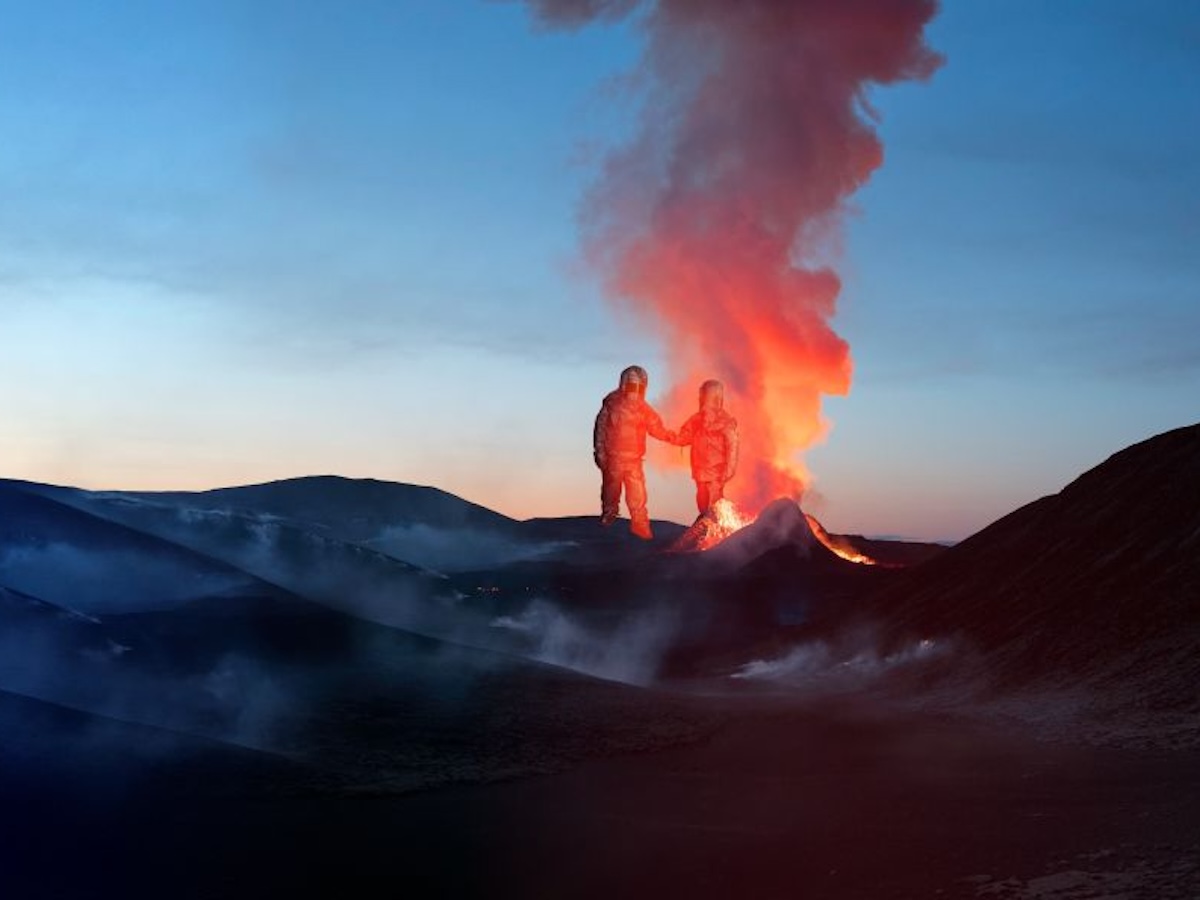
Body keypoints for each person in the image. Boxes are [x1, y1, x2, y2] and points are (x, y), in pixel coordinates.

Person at [593, 365, 675, 540]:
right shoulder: (612, 404)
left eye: (637, 387)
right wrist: (600, 452)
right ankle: (609, 514)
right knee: (611, 489)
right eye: (631, 386)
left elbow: (656, 428)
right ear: (623, 385)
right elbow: (600, 429)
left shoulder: (644, 410)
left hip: (634, 460)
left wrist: (670, 437)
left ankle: (639, 524)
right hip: (614, 457)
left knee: (637, 493)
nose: (634, 392)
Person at [673, 379, 739, 515]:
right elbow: (684, 437)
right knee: (702, 499)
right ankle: (706, 522)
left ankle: (716, 526)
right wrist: (669, 436)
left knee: (714, 500)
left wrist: (729, 469)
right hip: (700, 470)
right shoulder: (697, 420)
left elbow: (732, 446)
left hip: (716, 470)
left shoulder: (725, 422)